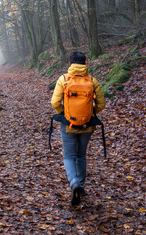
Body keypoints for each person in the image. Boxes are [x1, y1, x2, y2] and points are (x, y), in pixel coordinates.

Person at [50, 51, 106, 206]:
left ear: (70, 64)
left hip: (68, 125)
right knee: (81, 155)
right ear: (85, 64)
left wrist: (63, 114)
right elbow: (101, 104)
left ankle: (73, 182)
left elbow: (55, 102)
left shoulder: (63, 79)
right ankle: (80, 186)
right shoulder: (92, 81)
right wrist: (90, 113)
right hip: (87, 126)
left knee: (68, 156)